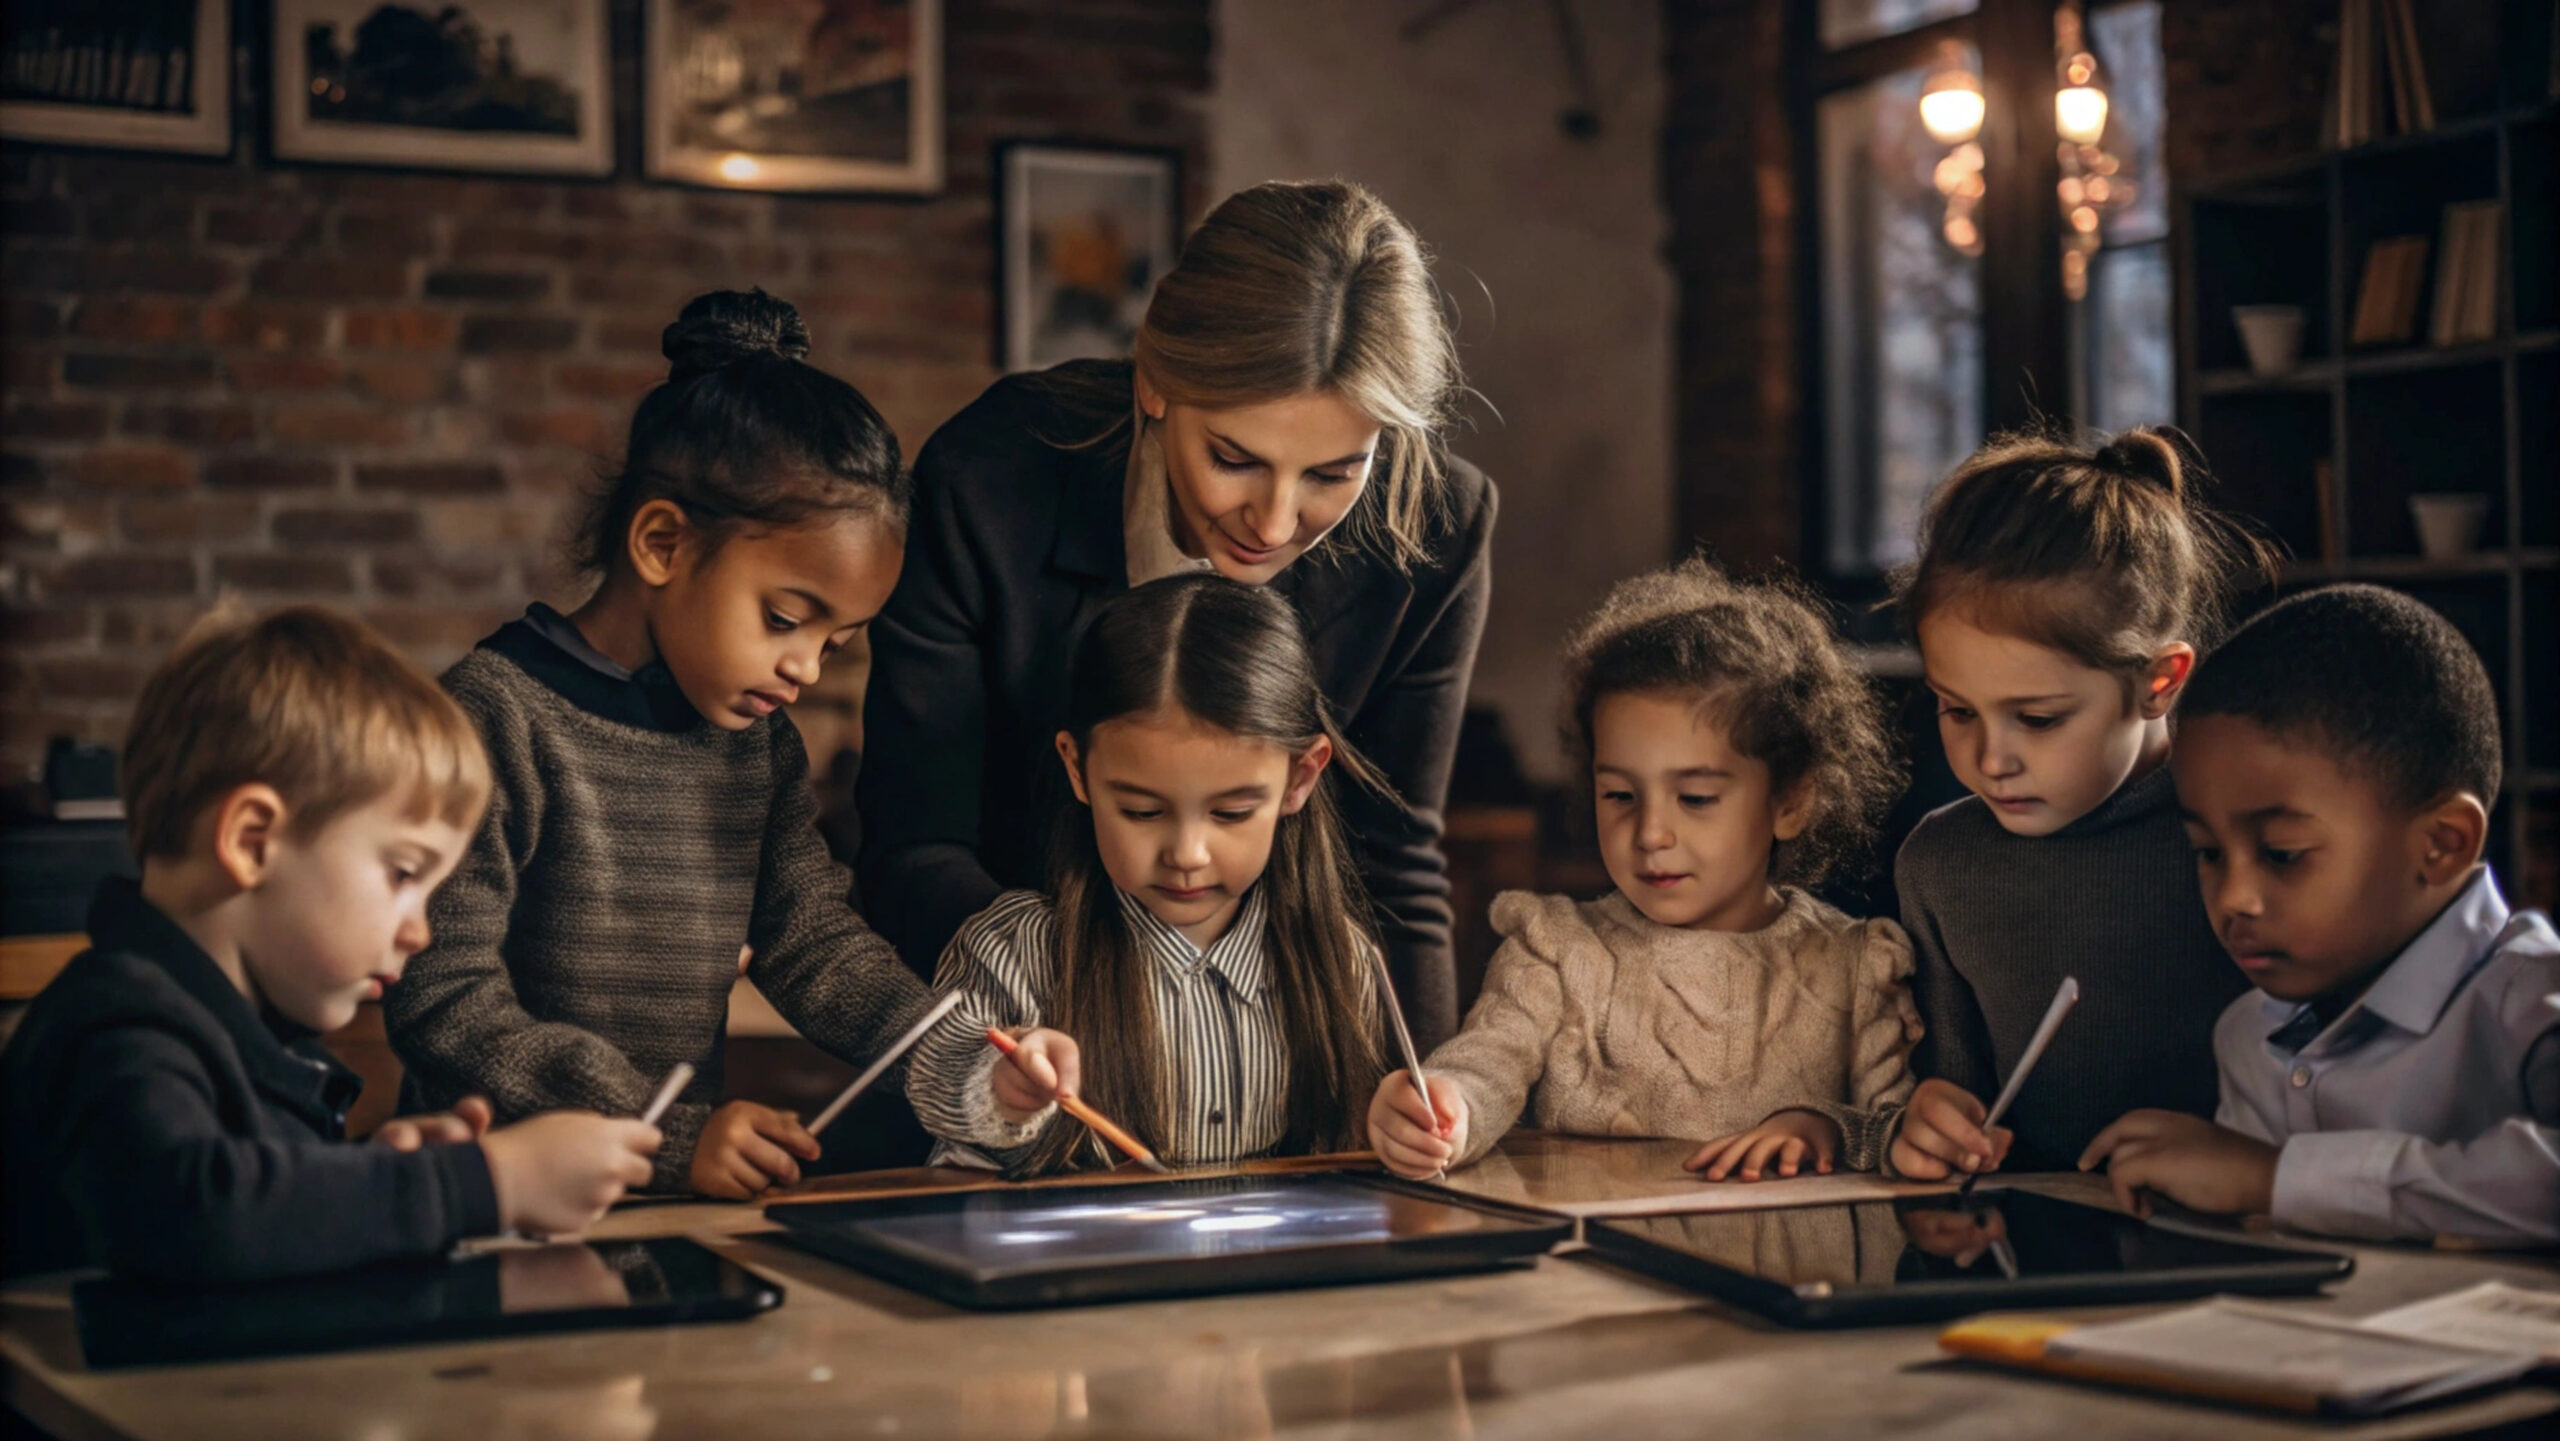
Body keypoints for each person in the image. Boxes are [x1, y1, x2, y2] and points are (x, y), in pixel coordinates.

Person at [860, 180, 1496, 1050]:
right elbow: (915, 843)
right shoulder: (992, 475)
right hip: (1012, 1026)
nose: (1274, 523)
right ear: (1156, 379)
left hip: (1274, 1050)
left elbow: (1391, 866)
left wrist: (1417, 1085)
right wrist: (1059, 1023)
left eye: (1331, 474)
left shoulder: (1437, 528)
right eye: (1234, 458)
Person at [384, 290, 934, 1201]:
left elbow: (811, 940)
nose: (805, 667)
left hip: (666, 1209)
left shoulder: (757, 748)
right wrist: (665, 1133)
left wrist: (961, 1054)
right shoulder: (495, 717)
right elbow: (442, 996)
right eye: (785, 618)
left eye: (835, 642)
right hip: (495, 1199)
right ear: (663, 543)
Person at [2, 606, 660, 1281]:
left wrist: (377, 1167)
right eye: (403, 874)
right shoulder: (115, 1026)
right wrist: (480, 1181)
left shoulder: (258, 1038)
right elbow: (193, 1216)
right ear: (252, 842)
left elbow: (265, 1213)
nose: (420, 931)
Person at [1368, 560, 1913, 1181]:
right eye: (1621, 796)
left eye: (1696, 798)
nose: (1650, 833)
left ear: (1790, 801)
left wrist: (1829, 1128)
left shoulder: (1857, 968)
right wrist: (1446, 1105)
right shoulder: (1555, 953)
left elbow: (1903, 1132)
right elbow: (1485, 1066)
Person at [2082, 585, 2558, 1245]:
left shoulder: (2530, 1002)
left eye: (2283, 853)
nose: (2234, 897)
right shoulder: (2249, 1037)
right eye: (2208, 852)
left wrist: (2274, 1177)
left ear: (2441, 844)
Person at [1888, 427, 2274, 1182]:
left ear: (2160, 682)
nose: (1990, 760)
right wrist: (1927, 1119)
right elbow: (1951, 1087)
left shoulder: (2250, 842)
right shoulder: (1940, 865)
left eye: (2038, 719)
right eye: (1956, 709)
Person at [905, 575, 1386, 1175]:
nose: (1186, 854)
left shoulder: (1339, 960)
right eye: (1141, 812)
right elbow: (933, 1079)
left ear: (1301, 778)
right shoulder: (1016, 950)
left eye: (1231, 814)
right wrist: (1000, 1088)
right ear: (1077, 769)